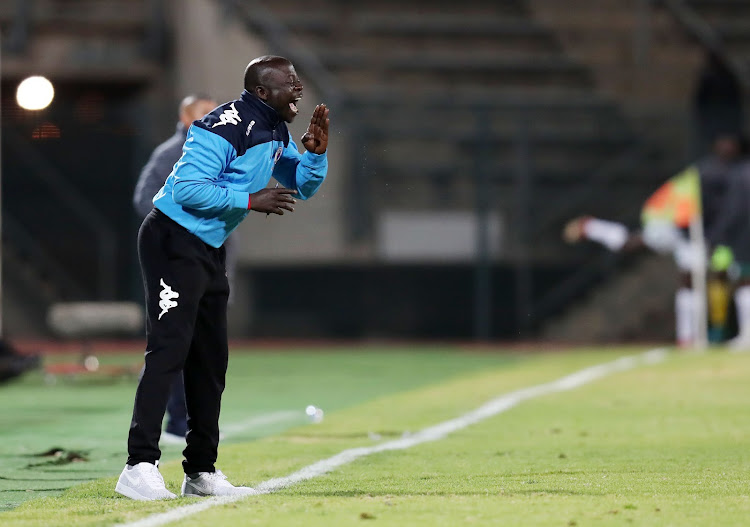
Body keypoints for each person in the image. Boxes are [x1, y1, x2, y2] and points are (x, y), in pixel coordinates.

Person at [115, 55, 330, 501]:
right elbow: (189, 189)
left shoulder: (274, 128)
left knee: (211, 362)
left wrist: (316, 155)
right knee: (169, 350)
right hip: (172, 239)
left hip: (208, 246)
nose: (298, 91)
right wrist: (249, 200)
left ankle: (201, 472)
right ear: (262, 92)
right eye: (290, 84)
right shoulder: (223, 126)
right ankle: (138, 466)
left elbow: (301, 185)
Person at [563, 133, 745, 346]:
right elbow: (706, 208)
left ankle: (697, 334)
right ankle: (694, 335)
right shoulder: (711, 173)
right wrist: (713, 236)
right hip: (678, 225)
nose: (727, 148)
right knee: (692, 276)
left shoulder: (726, 172)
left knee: (698, 277)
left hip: (687, 229)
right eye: (723, 144)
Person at [132, 94, 218, 445]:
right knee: (172, 343)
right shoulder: (171, 153)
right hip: (177, 261)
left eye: (216, 112)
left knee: (200, 346)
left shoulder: (219, 152)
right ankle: (173, 422)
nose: (213, 117)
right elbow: (144, 199)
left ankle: (186, 422)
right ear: (185, 117)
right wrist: (179, 231)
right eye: (204, 112)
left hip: (209, 260)